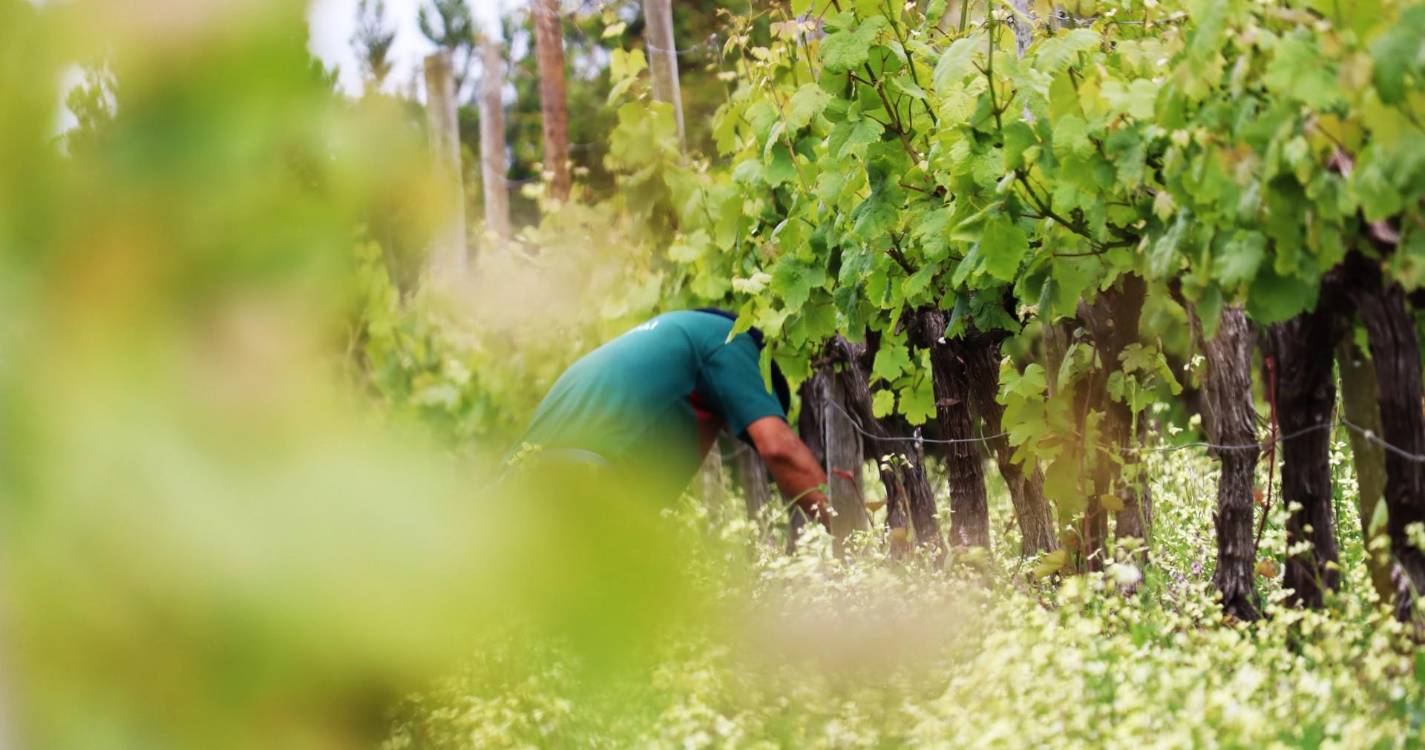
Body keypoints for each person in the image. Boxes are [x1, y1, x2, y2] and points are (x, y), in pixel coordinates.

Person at [510, 309, 830, 527]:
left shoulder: (669, 346)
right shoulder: (731, 340)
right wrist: (853, 527)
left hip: (513, 489)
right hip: (587, 479)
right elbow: (778, 449)